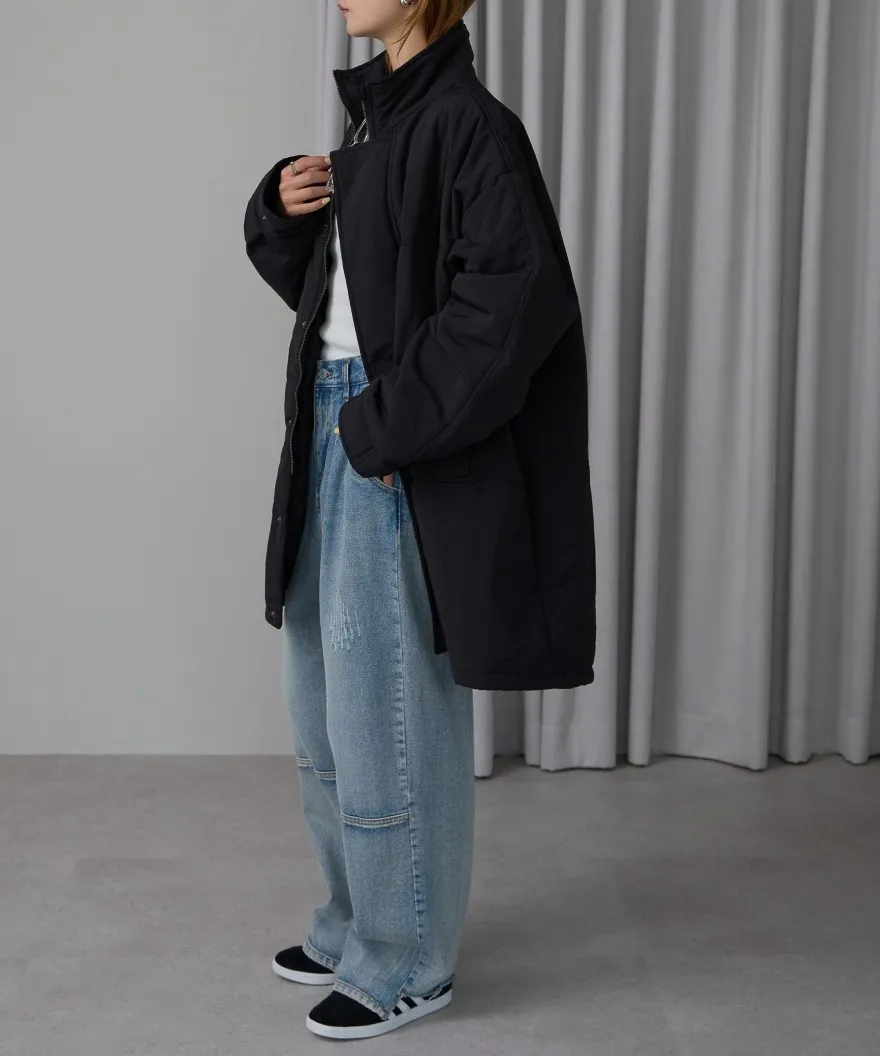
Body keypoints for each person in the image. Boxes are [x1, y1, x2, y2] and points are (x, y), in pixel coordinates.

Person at [243, 0, 596, 1041]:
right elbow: (347, 296)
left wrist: (385, 425)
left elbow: (513, 302)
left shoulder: (470, 123)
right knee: (320, 697)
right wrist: (281, 211)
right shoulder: (380, 121)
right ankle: (355, 922)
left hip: (389, 439)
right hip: (339, 422)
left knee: (385, 705)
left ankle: (406, 958)